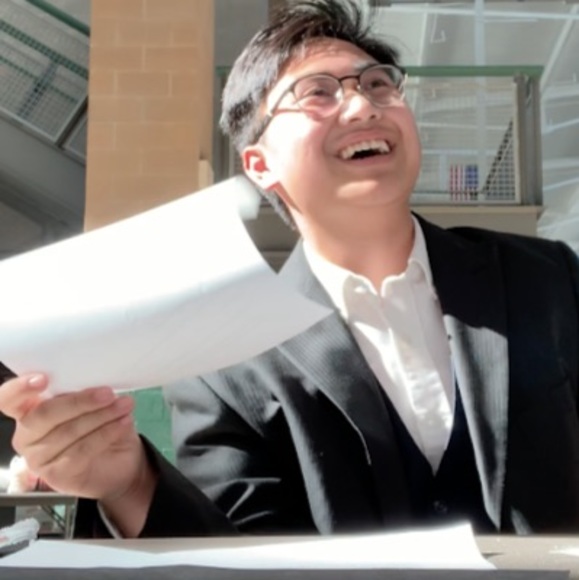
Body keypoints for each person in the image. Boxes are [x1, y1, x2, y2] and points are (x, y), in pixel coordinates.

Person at [1, 0, 579, 539]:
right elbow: (236, 554)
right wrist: (130, 484)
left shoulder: (547, 278)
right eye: (317, 92)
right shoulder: (223, 364)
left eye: (378, 84)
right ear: (259, 164)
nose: (363, 105)